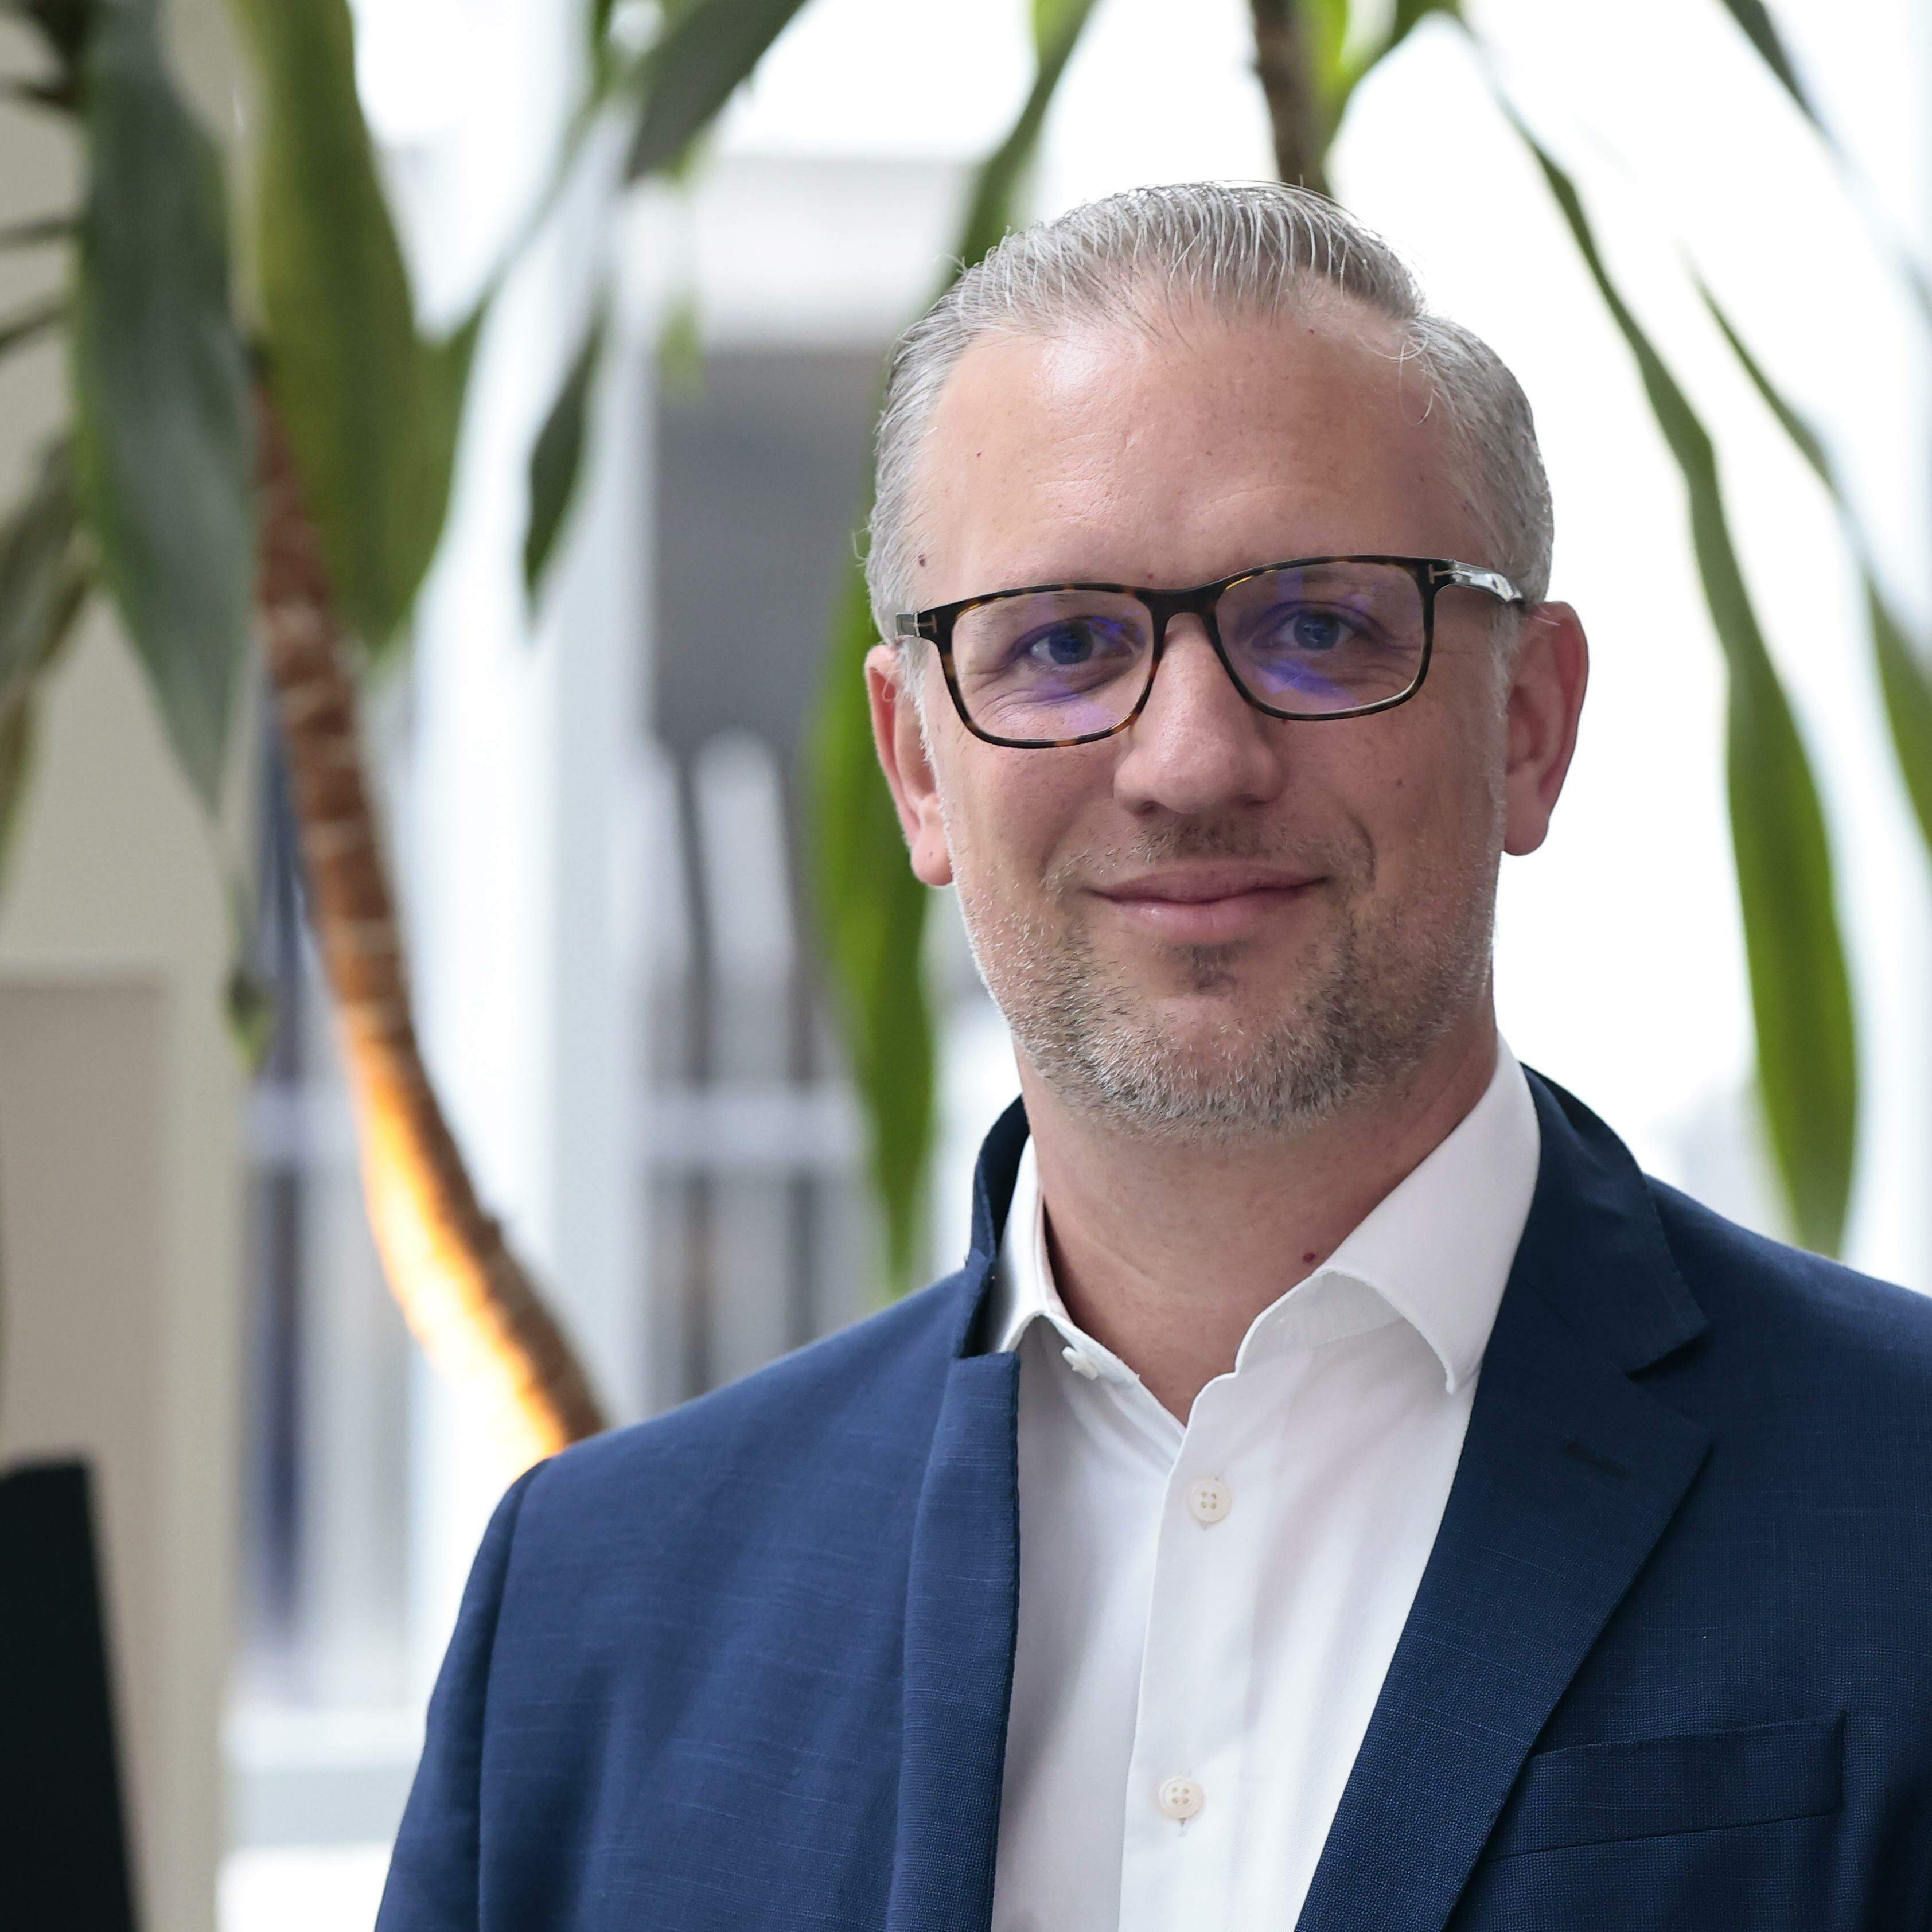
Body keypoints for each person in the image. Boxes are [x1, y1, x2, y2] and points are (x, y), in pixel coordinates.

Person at [376, 183, 1932, 1932]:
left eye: (1320, 627)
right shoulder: (591, 1614)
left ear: (1529, 723)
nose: (1191, 762)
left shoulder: (1902, 1509)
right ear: (916, 769)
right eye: (1061, 644)